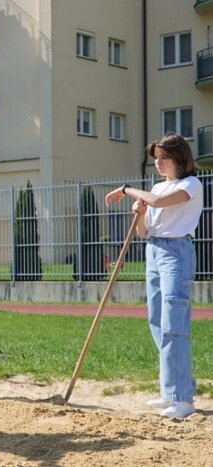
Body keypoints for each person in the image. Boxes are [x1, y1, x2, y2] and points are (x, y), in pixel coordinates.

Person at [105, 133, 202, 419]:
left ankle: (182, 399)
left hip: (177, 253)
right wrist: (139, 213)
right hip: (154, 250)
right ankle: (171, 390)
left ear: (179, 158)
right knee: (157, 321)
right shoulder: (158, 187)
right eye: (156, 158)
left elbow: (159, 203)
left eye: (163, 158)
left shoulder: (191, 184)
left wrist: (126, 190)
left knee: (174, 325)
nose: (158, 163)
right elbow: (144, 231)